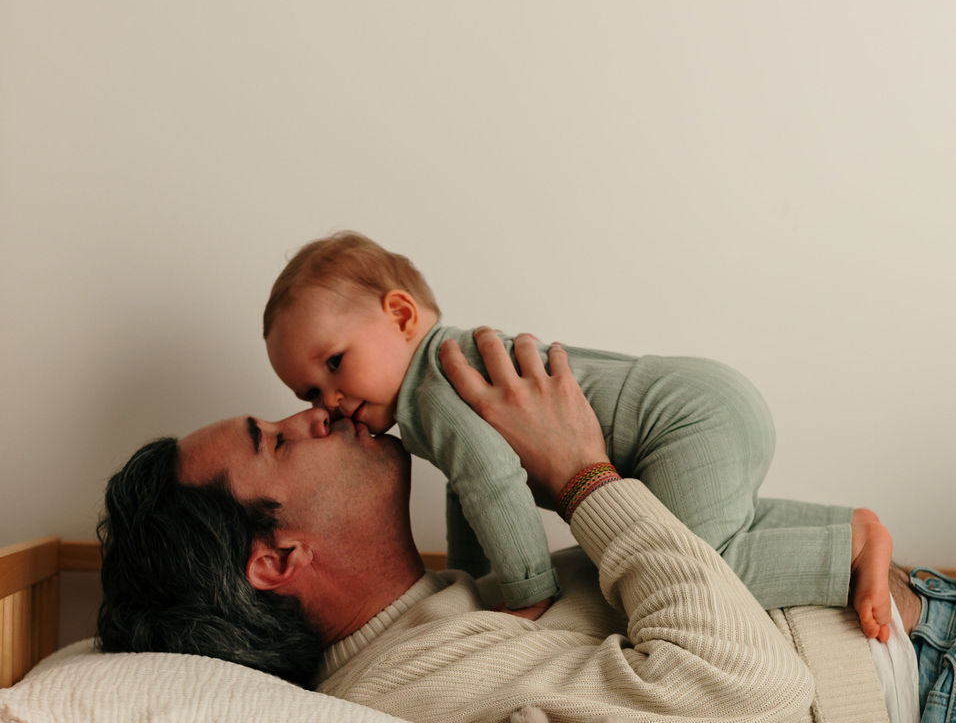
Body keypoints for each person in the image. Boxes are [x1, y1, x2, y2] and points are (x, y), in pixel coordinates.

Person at [99, 331, 915, 723]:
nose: (312, 413)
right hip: (944, 680)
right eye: (272, 441)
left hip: (945, 622)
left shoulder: (447, 601)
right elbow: (748, 682)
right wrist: (581, 476)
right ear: (276, 560)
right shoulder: (402, 685)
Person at [262, 232, 893, 637]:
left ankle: (846, 555)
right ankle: (846, 525)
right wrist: (468, 582)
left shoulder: (435, 384)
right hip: (700, 403)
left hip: (684, 420)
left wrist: (526, 595)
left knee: (698, 575)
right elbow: (469, 491)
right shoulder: (433, 387)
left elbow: (492, 481)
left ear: (400, 316)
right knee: (716, 529)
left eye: (335, 364)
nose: (330, 400)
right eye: (309, 393)